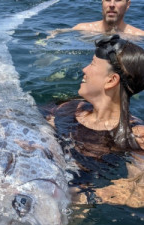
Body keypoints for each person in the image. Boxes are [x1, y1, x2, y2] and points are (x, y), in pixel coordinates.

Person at [44, 34, 144, 208]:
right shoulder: (70, 107)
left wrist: (83, 196)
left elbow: (138, 194)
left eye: (92, 64)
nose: (84, 69)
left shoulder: (135, 134)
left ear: (111, 80)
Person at [72, 0, 144, 35]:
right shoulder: (81, 29)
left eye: (118, 0)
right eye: (108, 0)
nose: (112, 5)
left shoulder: (138, 36)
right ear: (102, 2)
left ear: (127, 5)